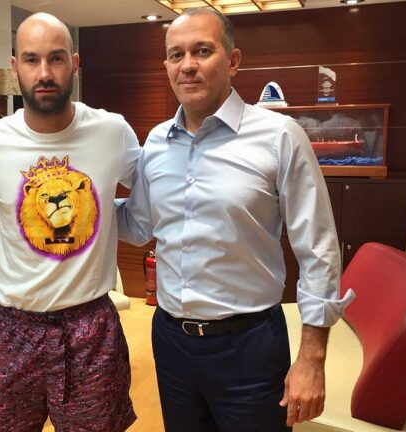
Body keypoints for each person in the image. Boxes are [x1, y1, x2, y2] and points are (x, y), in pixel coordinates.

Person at [116, 8, 355, 432]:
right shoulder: (155, 142)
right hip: (171, 343)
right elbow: (139, 226)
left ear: (233, 60)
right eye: (176, 55)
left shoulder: (280, 137)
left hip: (250, 348)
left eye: (202, 51)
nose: (187, 65)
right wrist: (84, 204)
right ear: (166, 65)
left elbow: (318, 248)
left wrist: (312, 358)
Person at [0, 12, 140, 432]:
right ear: (14, 66)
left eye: (55, 58)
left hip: (90, 328)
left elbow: (156, 192)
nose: (44, 73)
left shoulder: (112, 132)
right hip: (11, 331)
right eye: (31, 59)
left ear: (74, 64)